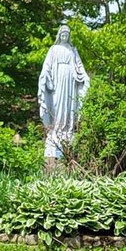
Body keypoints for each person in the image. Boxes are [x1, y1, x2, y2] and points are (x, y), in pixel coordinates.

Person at [37, 25, 90, 161]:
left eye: (67, 34)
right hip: (58, 80)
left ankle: (67, 130)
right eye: (63, 34)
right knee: (57, 104)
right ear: (59, 35)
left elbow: (79, 66)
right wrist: (44, 76)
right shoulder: (54, 49)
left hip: (71, 81)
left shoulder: (73, 50)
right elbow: (47, 65)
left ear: (69, 36)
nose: (65, 36)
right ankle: (57, 130)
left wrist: (84, 76)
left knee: (69, 106)